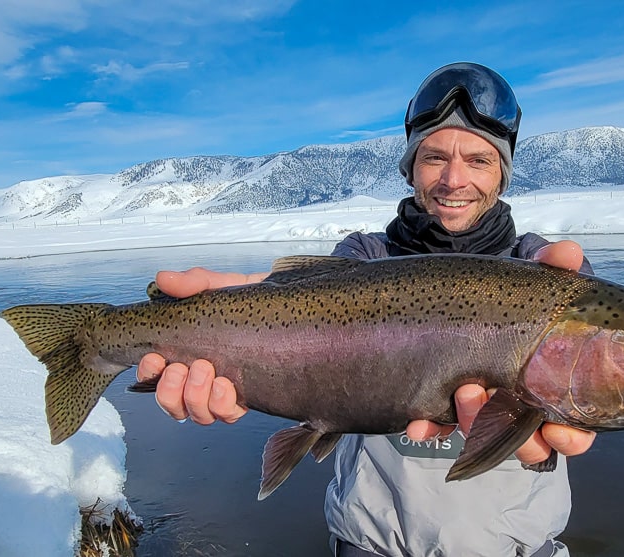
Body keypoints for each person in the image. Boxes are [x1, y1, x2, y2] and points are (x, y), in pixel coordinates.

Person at [137, 62, 598, 556]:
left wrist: (558, 435)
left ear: (502, 174)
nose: (454, 179)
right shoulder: (365, 258)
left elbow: (587, 399)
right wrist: (230, 321)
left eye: (479, 161)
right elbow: (302, 310)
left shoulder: (547, 275)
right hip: (370, 543)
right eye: (434, 157)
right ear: (410, 168)